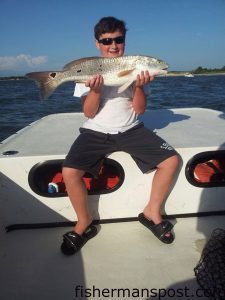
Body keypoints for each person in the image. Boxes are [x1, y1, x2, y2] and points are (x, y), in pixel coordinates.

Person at [61, 16, 180, 254]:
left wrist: (137, 86)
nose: (113, 45)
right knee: (69, 172)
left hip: (130, 128)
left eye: (119, 39)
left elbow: (140, 109)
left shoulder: (137, 67)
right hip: (95, 130)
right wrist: (95, 90)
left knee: (172, 161)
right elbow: (89, 112)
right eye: (107, 41)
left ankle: (151, 212)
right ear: (97, 43)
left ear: (124, 40)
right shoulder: (89, 69)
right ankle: (84, 221)